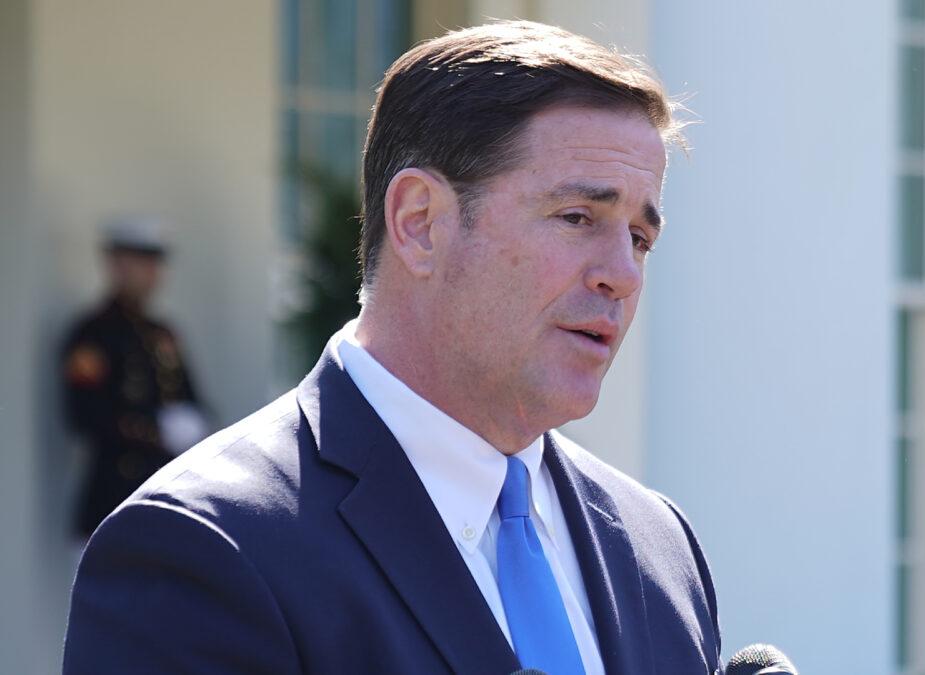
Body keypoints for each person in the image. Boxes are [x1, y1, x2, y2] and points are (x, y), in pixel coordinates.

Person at [64, 21, 720, 674]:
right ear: (420, 222)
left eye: (639, 237)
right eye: (578, 218)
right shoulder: (205, 546)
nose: (623, 274)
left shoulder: (657, 544)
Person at [61, 215, 208, 541]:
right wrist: (156, 431)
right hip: (113, 499)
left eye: (155, 262)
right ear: (115, 265)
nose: (153, 273)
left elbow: (190, 397)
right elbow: (85, 416)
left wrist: (193, 424)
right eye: (141, 261)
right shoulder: (93, 334)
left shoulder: (163, 334)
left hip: (168, 496)